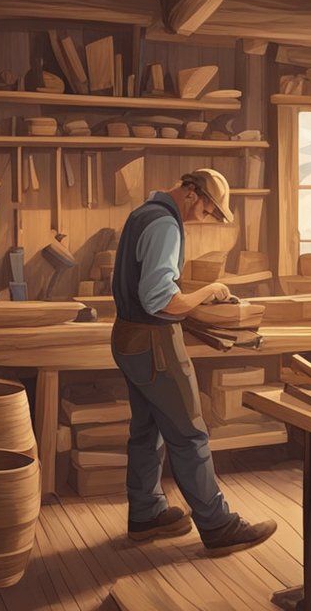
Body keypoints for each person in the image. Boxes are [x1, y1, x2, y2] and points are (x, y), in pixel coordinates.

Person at [110, 169, 277, 555]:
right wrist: (208, 291)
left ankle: (146, 513)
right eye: (207, 210)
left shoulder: (143, 214)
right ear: (190, 192)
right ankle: (219, 527)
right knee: (190, 435)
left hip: (129, 338)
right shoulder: (165, 224)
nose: (204, 218)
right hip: (154, 343)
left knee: (147, 430)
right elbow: (160, 301)